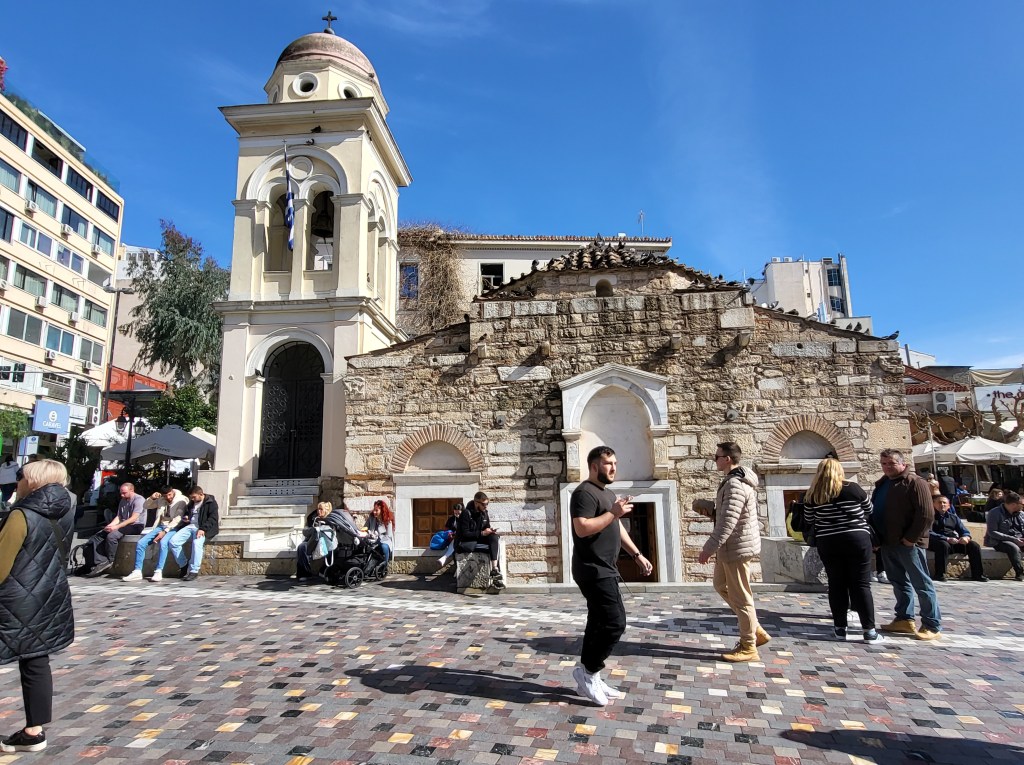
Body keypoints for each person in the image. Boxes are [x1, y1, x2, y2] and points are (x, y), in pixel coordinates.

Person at [0, 459, 74, 753]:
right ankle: (34, 731)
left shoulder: (22, 514)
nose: (18, 481)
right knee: (36, 660)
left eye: (21, 477)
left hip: (15, 598)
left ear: (32, 482)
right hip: (49, 595)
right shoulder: (66, 510)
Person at [570, 446, 652, 706]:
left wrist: (637, 554)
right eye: (608, 463)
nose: (614, 468)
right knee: (615, 622)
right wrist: (613, 512)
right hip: (593, 569)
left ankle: (589, 675)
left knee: (598, 622)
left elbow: (615, 525)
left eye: (615, 463)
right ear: (594, 466)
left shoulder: (608, 494)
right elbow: (582, 528)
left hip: (606, 567)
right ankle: (589, 673)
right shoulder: (584, 493)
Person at [695, 442, 770, 662]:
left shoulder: (735, 484)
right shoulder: (732, 482)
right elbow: (729, 513)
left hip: (736, 548)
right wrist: (710, 509)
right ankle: (755, 629)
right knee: (721, 585)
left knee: (742, 598)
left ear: (727, 459)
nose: (714, 460)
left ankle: (749, 646)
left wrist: (708, 549)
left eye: (716, 457)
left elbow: (728, 522)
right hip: (730, 548)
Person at [802, 457, 883, 643]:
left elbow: (809, 519)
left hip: (828, 540)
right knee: (861, 584)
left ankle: (840, 629)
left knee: (836, 583)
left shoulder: (813, 494)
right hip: (857, 538)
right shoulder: (853, 488)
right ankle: (869, 631)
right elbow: (869, 509)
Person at [871, 449, 942, 640]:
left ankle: (932, 624)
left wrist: (911, 538)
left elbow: (926, 514)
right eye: (884, 463)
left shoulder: (915, 482)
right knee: (899, 582)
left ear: (902, 463)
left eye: (891, 463)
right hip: (888, 542)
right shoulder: (883, 483)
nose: (887, 467)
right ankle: (904, 618)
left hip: (909, 543)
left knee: (921, 583)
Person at [122, 487, 187, 582]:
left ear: (172, 492)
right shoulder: (161, 500)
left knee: (163, 543)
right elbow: (146, 506)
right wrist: (152, 498)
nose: (168, 497)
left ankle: (158, 570)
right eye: (165, 496)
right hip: (160, 526)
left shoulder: (181, 500)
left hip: (173, 527)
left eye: (169, 495)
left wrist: (165, 532)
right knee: (141, 543)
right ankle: (137, 571)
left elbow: (178, 519)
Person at [86, 482, 145, 577]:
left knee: (112, 536)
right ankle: (100, 561)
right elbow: (119, 517)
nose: (122, 495)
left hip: (136, 525)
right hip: (123, 524)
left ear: (132, 490)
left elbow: (134, 518)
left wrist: (117, 527)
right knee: (98, 536)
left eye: (124, 493)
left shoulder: (139, 500)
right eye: (121, 493)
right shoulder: (123, 500)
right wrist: (110, 526)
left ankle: (110, 560)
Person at [929, 495, 987, 582]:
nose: (942, 505)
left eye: (944, 503)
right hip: (936, 541)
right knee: (943, 545)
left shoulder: (953, 517)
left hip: (953, 541)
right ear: (934, 504)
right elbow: (928, 532)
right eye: (939, 502)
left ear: (949, 505)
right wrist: (946, 539)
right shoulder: (929, 517)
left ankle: (978, 574)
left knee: (974, 545)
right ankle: (940, 574)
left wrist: (965, 537)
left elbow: (964, 530)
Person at [167, 486, 219, 582]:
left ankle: (194, 571)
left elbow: (213, 518)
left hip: (202, 527)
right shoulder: (192, 503)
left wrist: (203, 529)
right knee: (173, 542)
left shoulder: (210, 502)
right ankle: (183, 565)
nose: (192, 499)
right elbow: (188, 513)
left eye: (194, 497)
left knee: (197, 543)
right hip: (191, 526)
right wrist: (187, 517)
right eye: (191, 497)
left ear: (201, 494)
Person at [456, 493, 505, 589]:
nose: (485, 506)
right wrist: (482, 533)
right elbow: (465, 534)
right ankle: (495, 576)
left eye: (487, 504)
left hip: (478, 540)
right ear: (476, 503)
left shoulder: (484, 513)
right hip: (467, 543)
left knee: (494, 538)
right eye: (483, 504)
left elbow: (486, 527)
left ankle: (494, 569)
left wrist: (490, 531)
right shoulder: (466, 513)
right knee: (493, 548)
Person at [296, 501, 350, 580]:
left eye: (321, 509)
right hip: (312, 541)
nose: (318, 511)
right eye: (318, 509)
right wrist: (313, 530)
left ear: (326, 510)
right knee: (302, 547)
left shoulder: (331, 520)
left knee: (334, 549)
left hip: (326, 542)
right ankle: (304, 574)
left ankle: (324, 571)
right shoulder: (313, 518)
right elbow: (306, 531)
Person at [984, 490, 1024, 581]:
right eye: (1022, 504)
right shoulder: (994, 513)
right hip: (999, 541)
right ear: (1013, 504)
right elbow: (992, 532)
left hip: (1019, 538)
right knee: (1013, 548)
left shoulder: (1021, 514)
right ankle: (1019, 573)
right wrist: (1014, 539)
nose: (1022, 506)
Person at [436, 503, 461, 568]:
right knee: (455, 543)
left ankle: (444, 558)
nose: (457, 515)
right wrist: (450, 533)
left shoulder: (465, 519)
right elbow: (446, 529)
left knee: (456, 542)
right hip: (452, 539)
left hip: (462, 539)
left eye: (459, 513)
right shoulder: (451, 519)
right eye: (455, 513)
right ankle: (444, 559)